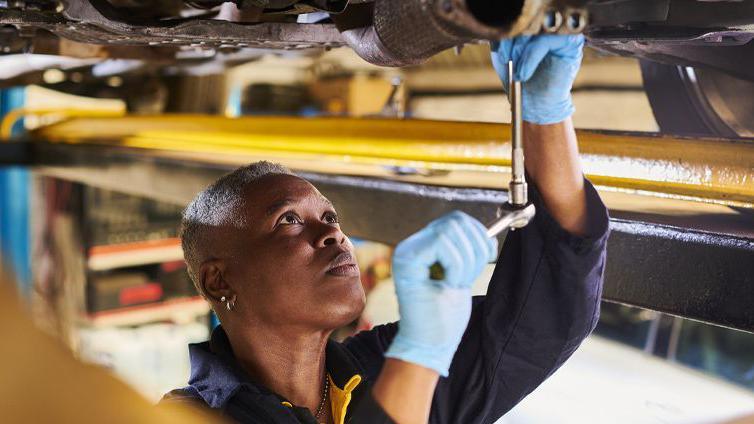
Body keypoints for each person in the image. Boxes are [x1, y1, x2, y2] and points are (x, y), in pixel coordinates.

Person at [163, 33, 609, 423]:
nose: (333, 235)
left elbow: (543, 319)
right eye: (289, 220)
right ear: (219, 279)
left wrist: (544, 114)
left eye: (330, 218)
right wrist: (418, 357)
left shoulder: (375, 367)